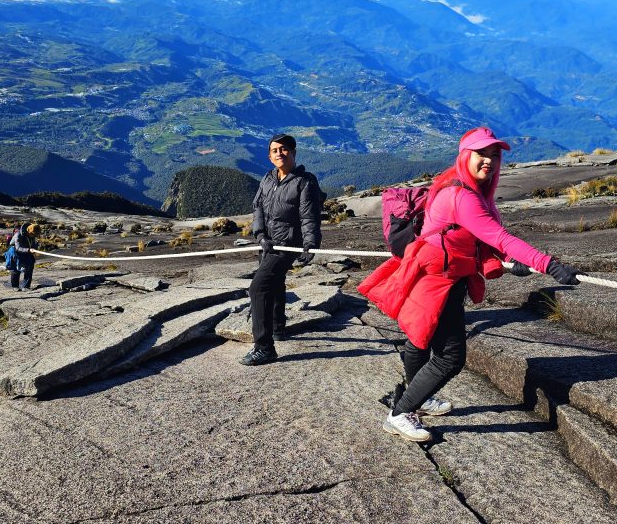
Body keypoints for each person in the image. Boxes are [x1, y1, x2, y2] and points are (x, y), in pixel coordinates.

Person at [359, 127, 583, 443]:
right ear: (466, 155)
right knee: (450, 357)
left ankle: (415, 399)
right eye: (482, 154)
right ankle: (401, 412)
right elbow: (500, 236)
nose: (489, 161)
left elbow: (485, 238)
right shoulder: (462, 196)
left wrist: (513, 258)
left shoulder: (465, 188)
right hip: (437, 281)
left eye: (494, 155)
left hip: (443, 277)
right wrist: (548, 264)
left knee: (423, 341)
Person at [241, 133, 322, 366]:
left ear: (294, 153)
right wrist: (260, 235)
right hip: (269, 243)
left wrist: (311, 243)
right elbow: (258, 209)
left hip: (288, 244)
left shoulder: (304, 182)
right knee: (275, 284)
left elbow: (309, 216)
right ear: (269, 156)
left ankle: (264, 347)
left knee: (258, 287)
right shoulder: (267, 179)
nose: (279, 153)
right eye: (275, 150)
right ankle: (277, 328)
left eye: (284, 149)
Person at [9, 222, 38, 291]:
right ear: (29, 231)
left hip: (27, 251)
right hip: (15, 252)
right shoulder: (18, 235)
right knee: (16, 269)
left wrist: (34, 249)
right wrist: (29, 250)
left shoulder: (32, 236)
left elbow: (33, 245)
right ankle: (15, 286)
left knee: (30, 266)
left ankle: (26, 286)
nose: (34, 236)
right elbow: (18, 248)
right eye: (33, 235)